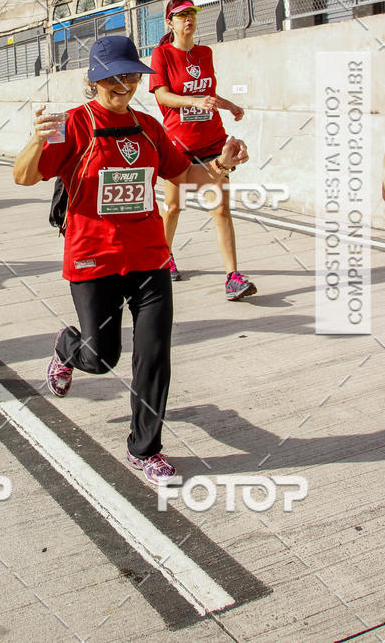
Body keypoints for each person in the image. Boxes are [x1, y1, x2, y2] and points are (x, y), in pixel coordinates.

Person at [13, 35, 249, 484]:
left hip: (149, 258)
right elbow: (23, 177)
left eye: (131, 76)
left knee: (154, 355)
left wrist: (221, 164)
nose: (124, 85)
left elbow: (186, 174)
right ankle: (67, 347)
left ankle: (145, 448)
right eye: (114, 77)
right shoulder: (73, 124)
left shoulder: (149, 127)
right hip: (93, 258)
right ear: (95, 79)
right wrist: (35, 141)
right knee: (101, 357)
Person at [149, 0, 257, 301]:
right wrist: (193, 102)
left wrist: (228, 105)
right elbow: (162, 95)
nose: (189, 19)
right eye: (182, 15)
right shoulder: (162, 55)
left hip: (213, 141)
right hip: (179, 145)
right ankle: (164, 258)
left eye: (192, 14)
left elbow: (208, 93)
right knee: (173, 207)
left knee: (221, 208)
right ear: (170, 22)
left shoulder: (205, 53)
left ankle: (233, 277)